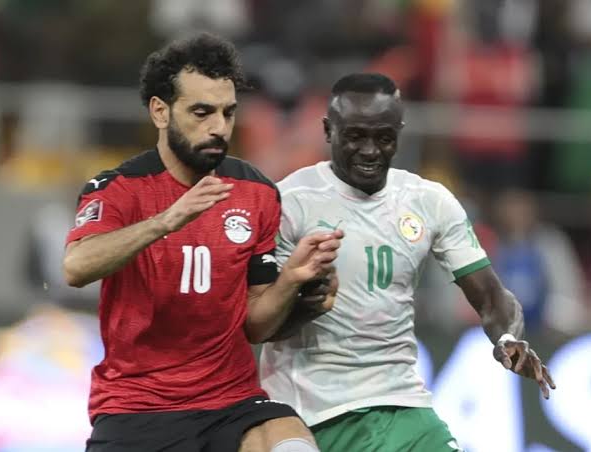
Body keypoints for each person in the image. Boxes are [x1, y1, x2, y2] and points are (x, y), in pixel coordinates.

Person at [63, 33, 342, 452]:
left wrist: (292, 280)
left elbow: (256, 326)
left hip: (231, 402)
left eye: (228, 113)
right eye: (201, 112)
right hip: (137, 407)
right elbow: (76, 266)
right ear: (160, 111)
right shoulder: (118, 189)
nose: (219, 127)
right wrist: (167, 220)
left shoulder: (255, 191)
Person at [259, 73, 556, 452]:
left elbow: (490, 295)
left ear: (399, 133)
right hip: (312, 409)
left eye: (383, 138)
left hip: (402, 402)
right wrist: (307, 302)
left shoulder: (429, 201)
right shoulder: (289, 201)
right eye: (355, 136)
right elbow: (260, 322)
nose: (370, 151)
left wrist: (507, 338)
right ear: (328, 130)